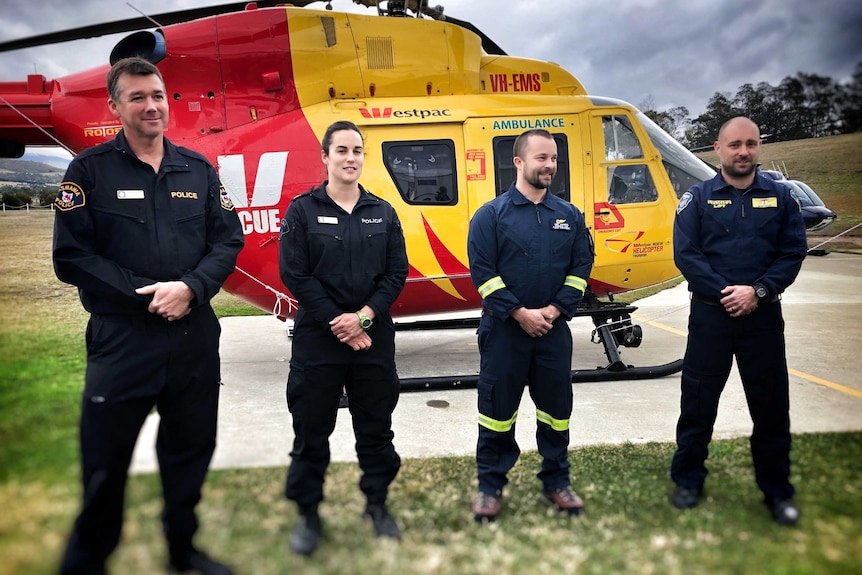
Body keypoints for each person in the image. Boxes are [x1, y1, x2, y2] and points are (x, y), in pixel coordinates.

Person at [52, 57, 244, 575]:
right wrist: (148, 296)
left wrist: (192, 288)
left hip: (193, 339)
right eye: (137, 97)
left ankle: (182, 550)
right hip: (123, 341)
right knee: (105, 462)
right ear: (115, 106)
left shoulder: (198, 170)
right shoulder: (88, 172)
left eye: (158, 95)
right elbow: (71, 257)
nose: (151, 105)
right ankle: (87, 561)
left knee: (189, 452)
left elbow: (228, 240)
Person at [278, 120, 409, 555]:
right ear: (325, 156)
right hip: (319, 339)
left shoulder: (383, 212)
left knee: (376, 429)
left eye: (357, 150)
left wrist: (364, 318)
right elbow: (294, 274)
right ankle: (308, 514)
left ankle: (377, 503)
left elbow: (396, 274)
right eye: (342, 150)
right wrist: (339, 320)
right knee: (311, 431)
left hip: (372, 339)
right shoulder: (302, 211)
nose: (350, 158)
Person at [670, 116, 807, 525]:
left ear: (758, 147)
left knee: (770, 407)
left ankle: (777, 491)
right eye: (735, 145)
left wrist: (758, 291)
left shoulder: (782, 199)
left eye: (750, 144)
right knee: (697, 404)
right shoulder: (696, 198)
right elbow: (687, 255)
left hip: (762, 319)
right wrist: (726, 293)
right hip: (711, 319)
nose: (743, 151)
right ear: (718, 149)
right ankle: (688, 481)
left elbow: (792, 253)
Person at [466, 128, 594, 522]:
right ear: (518, 162)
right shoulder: (490, 216)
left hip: (553, 333)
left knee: (557, 412)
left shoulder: (568, 216)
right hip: (504, 332)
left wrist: (554, 312)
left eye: (553, 158)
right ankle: (490, 487)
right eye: (541, 158)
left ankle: (557, 481)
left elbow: (581, 268)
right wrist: (520, 313)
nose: (550, 166)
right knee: (496, 413)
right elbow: (483, 274)